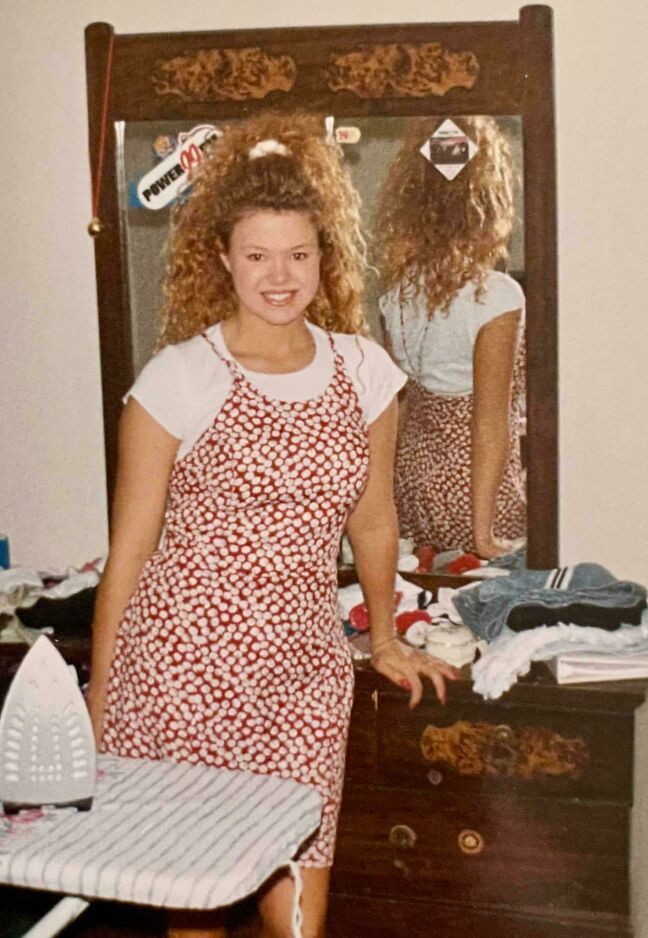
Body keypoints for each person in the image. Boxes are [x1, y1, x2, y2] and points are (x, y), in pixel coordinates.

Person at [88, 112, 458, 938]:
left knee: (299, 917)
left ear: (325, 256)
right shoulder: (180, 376)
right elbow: (130, 553)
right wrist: (103, 699)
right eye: (257, 255)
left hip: (303, 679)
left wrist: (385, 636)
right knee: (197, 912)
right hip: (183, 673)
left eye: (298, 253)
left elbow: (374, 519)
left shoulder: (365, 370)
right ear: (223, 258)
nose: (280, 276)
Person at [375, 116, 527, 561]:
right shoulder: (496, 295)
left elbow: (398, 406)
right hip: (476, 492)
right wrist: (483, 535)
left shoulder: (396, 293)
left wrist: (382, 500)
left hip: (412, 486)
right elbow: (489, 424)